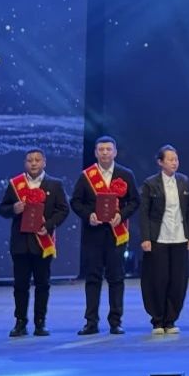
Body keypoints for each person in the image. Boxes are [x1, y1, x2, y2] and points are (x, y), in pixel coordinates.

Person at [0, 148, 70, 337]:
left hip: (43, 243)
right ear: (25, 163)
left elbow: (63, 210)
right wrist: (13, 208)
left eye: (37, 160)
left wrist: (49, 225)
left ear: (44, 162)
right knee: (20, 285)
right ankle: (20, 322)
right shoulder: (15, 184)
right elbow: (2, 209)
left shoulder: (54, 185)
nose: (34, 163)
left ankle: (40, 322)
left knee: (42, 284)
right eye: (30, 160)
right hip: (20, 243)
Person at [71, 135, 140, 335]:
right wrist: (89, 215)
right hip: (93, 234)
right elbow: (75, 202)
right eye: (101, 150)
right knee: (92, 278)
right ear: (95, 153)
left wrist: (121, 215)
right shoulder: (87, 176)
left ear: (115, 152)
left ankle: (115, 322)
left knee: (116, 278)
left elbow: (135, 201)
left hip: (116, 234)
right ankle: (91, 322)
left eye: (108, 149)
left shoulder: (125, 174)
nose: (105, 153)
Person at [138, 145, 189, 335]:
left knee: (177, 280)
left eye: (176, 159)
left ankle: (170, 320)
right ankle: (157, 320)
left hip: (179, 237)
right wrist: (146, 237)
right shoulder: (150, 183)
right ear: (160, 162)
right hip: (158, 239)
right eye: (170, 159)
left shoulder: (184, 181)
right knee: (158, 279)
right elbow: (144, 213)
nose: (174, 163)